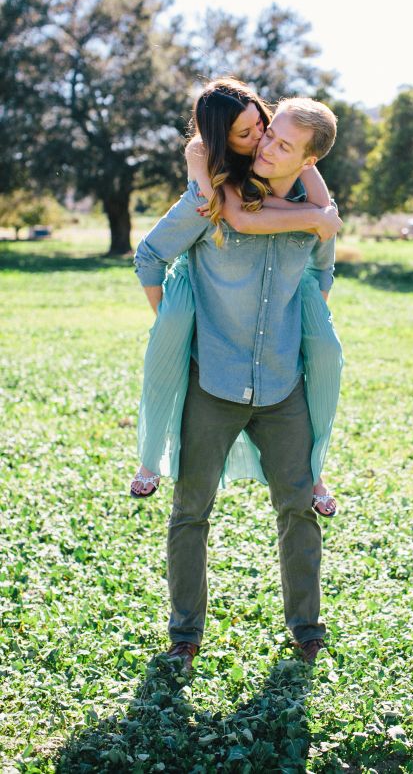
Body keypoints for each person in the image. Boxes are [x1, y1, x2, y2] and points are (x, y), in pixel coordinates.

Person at [134, 95, 339, 668]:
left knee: (297, 508)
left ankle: (306, 628)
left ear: (307, 160)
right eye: (266, 135)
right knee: (190, 510)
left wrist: (295, 330)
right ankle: (184, 633)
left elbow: (324, 271)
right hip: (212, 385)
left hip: (283, 387)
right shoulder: (213, 200)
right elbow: (149, 256)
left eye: (281, 144)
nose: (266, 146)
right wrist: (175, 326)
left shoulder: (315, 211)